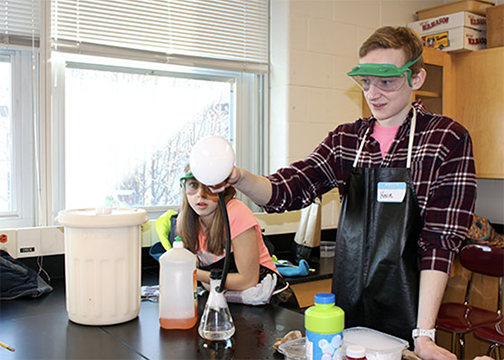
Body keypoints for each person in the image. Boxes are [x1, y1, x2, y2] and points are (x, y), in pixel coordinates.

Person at [214, 26, 476, 360]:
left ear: (416, 78)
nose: (374, 93)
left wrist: (423, 336)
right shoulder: (346, 141)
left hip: (410, 319)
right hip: (346, 315)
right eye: (366, 82)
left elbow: (440, 242)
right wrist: (239, 177)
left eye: (386, 81)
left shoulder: (446, 138)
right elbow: (287, 190)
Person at [176, 168, 291, 306]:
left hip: (269, 301)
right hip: (228, 300)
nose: (201, 195)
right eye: (193, 185)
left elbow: (248, 281)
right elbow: (208, 284)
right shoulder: (185, 219)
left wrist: (195, 273)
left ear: (224, 188)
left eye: (209, 185)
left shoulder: (236, 212)